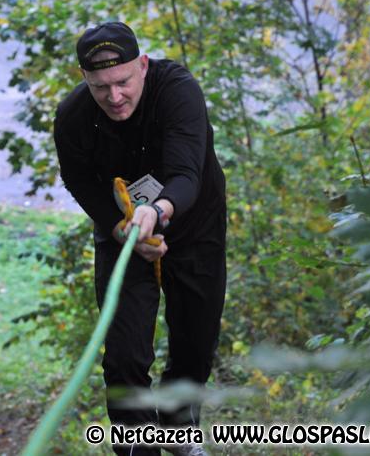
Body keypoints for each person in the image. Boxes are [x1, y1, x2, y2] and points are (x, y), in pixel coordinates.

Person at [53, 22, 227, 456]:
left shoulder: (177, 90)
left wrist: (158, 211)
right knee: (124, 354)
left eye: (123, 82)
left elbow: (187, 173)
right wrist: (120, 227)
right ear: (84, 79)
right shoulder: (73, 117)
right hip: (124, 231)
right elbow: (79, 181)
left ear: (143, 66)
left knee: (196, 340)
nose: (114, 97)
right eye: (100, 87)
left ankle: (177, 423)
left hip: (193, 224)